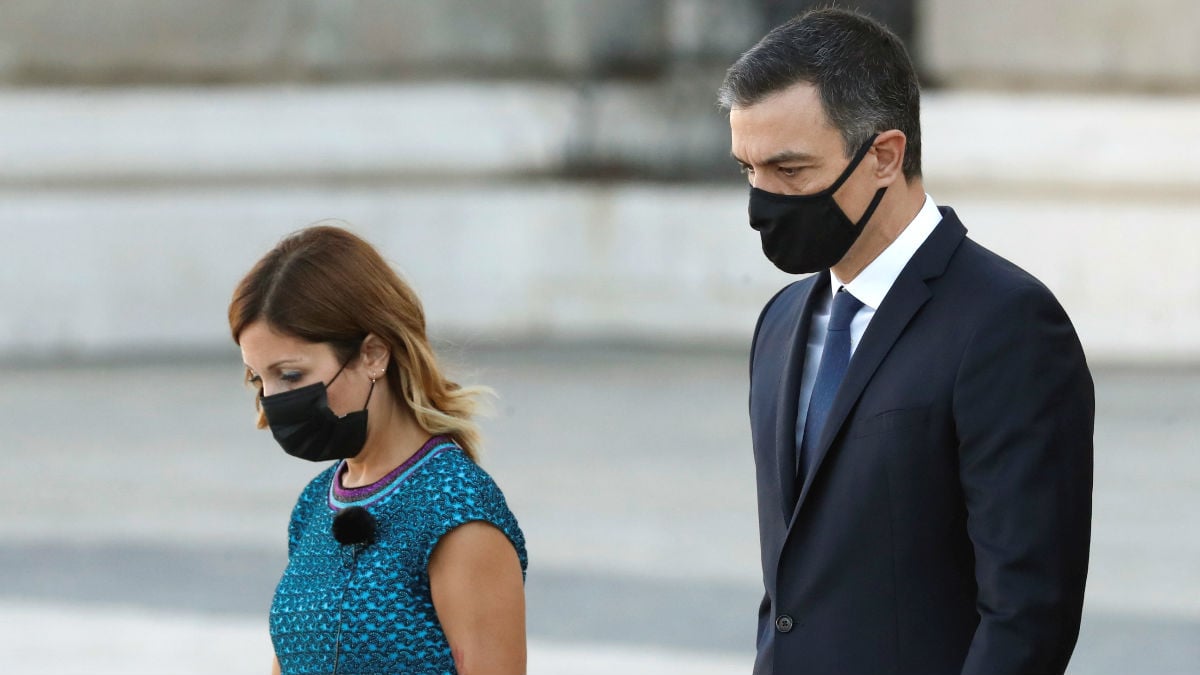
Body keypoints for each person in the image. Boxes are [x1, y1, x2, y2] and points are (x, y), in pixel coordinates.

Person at [719, 9, 1093, 675]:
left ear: (885, 155)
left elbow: (1028, 615)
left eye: (789, 169)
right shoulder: (778, 324)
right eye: (747, 169)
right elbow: (792, 587)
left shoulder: (1008, 324)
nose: (761, 202)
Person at [229, 225, 527, 675]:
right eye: (259, 379)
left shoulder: (457, 508)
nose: (272, 403)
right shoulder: (316, 503)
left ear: (373, 354)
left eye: (289, 376)